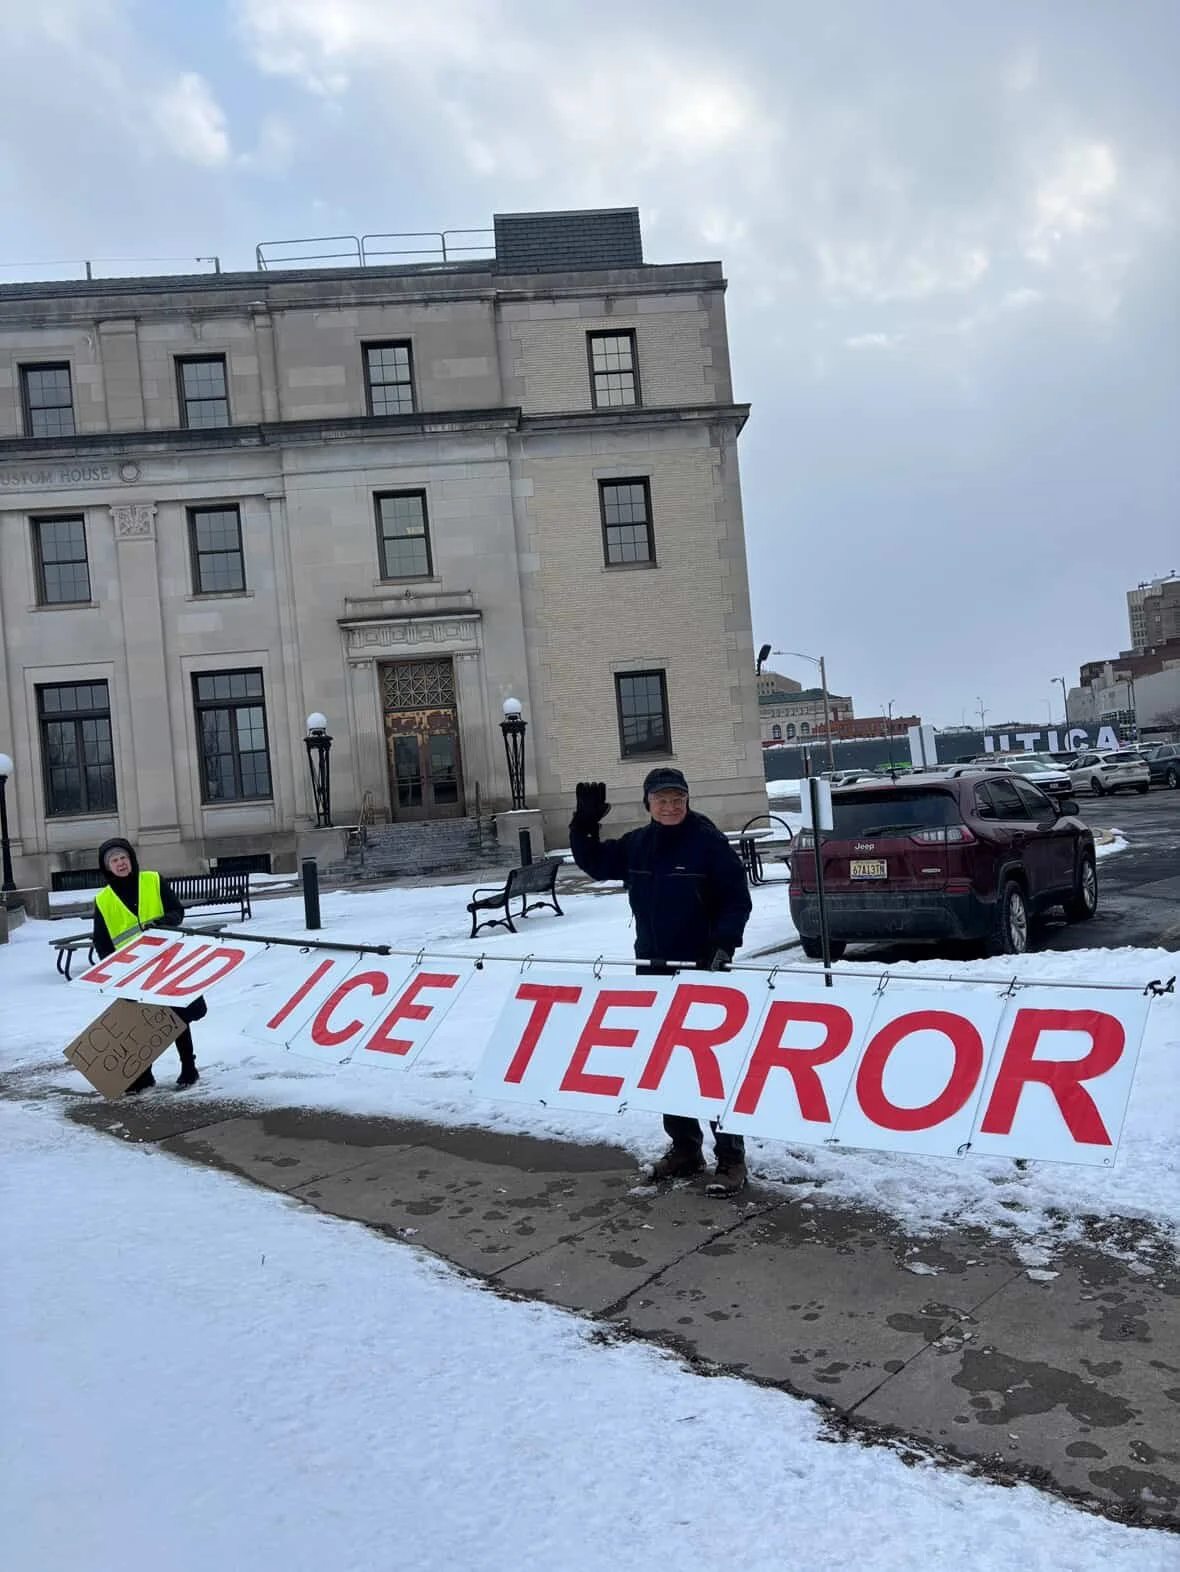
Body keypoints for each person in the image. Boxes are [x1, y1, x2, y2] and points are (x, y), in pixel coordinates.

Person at [569, 767, 753, 1195]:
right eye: (661, 800)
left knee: (710, 1069)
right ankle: (685, 1148)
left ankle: (731, 1159)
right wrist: (584, 824)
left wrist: (723, 945)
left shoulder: (708, 842)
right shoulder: (639, 844)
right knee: (667, 1064)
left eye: (677, 799)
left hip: (703, 970)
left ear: (687, 800)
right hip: (653, 969)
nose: (670, 807)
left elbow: (735, 900)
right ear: (648, 804)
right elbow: (596, 864)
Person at [91, 838, 202, 1092]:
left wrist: (162, 923)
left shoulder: (152, 880)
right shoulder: (104, 899)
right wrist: (113, 971)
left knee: (177, 1016)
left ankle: (189, 1067)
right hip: (133, 971)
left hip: (166, 961)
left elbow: (177, 912)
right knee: (144, 1024)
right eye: (114, 860)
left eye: (123, 858)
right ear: (107, 867)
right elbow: (102, 941)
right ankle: (144, 1075)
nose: (120, 863)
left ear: (131, 859)